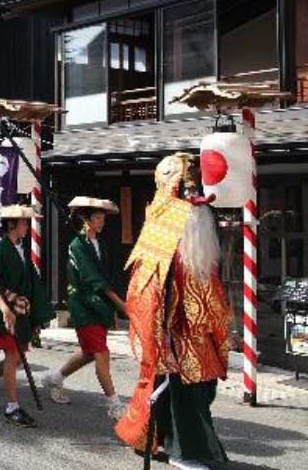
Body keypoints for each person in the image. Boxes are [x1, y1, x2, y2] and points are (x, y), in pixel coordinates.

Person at [115, 154, 231, 470]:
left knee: (198, 391)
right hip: (174, 334)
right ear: (173, 191)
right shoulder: (162, 229)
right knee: (185, 395)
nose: (194, 197)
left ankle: (155, 440)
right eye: (187, 190)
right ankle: (185, 452)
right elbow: (148, 287)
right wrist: (160, 333)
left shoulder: (202, 228)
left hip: (201, 331)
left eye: (196, 190)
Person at [40, 197, 126, 419]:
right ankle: (114, 404)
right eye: (97, 218)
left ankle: (55, 378)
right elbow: (93, 279)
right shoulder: (77, 245)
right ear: (86, 220)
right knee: (100, 353)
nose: (101, 222)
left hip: (100, 306)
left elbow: (108, 277)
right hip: (84, 306)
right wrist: (121, 305)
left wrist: (113, 309)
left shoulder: (101, 244)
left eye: (102, 218)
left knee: (90, 352)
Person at [0, 205, 55, 427]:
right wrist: (4, 309)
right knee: (12, 356)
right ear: (11, 224)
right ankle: (12, 407)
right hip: (3, 312)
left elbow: (32, 285)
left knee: (18, 357)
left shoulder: (21, 249)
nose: (27, 227)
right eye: (23, 223)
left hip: (21, 311)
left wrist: (36, 317)